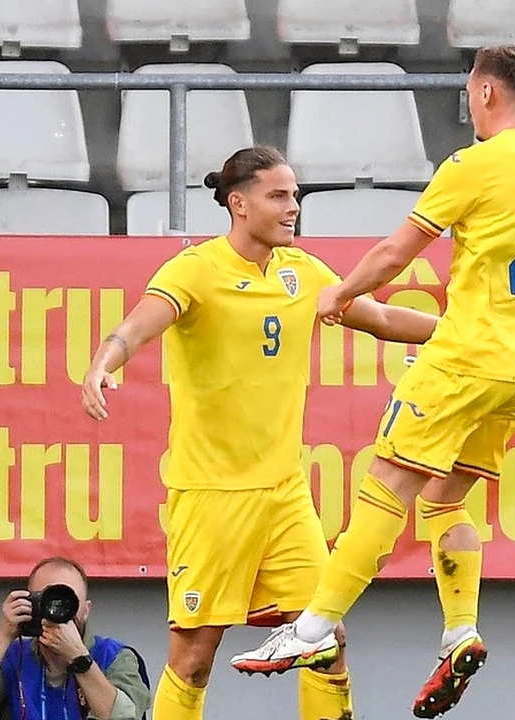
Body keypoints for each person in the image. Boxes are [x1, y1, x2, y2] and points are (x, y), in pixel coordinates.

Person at [229, 44, 515, 719]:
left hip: (462, 356)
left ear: (487, 92)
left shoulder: (475, 165)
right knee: (444, 500)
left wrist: (337, 295)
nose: (469, 102)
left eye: (469, 91)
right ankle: (460, 628)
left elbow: (397, 252)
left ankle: (312, 629)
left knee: (386, 483)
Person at [80, 145, 439, 720]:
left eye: (295, 194)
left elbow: (384, 318)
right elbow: (139, 324)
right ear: (239, 203)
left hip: (284, 492)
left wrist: (457, 337)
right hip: (211, 497)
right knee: (195, 658)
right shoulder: (195, 269)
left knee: (324, 639)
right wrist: (105, 361)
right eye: (279, 195)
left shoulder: (305, 272)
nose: (293, 206)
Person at [0, 556, 152, 720]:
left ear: (85, 610)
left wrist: (79, 659)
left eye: (68, 601)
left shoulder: (115, 657)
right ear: (30, 603)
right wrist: (5, 635)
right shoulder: (13, 657)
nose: (56, 611)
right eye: (48, 599)